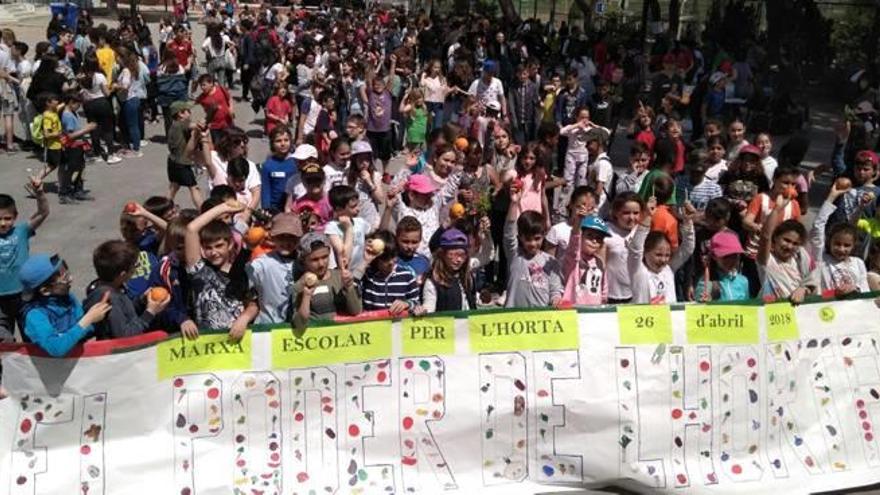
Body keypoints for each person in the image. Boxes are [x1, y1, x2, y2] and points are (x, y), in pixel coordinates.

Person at [184, 200, 256, 339]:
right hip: (207, 342)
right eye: (208, 248)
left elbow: (253, 303)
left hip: (240, 341)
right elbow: (191, 229)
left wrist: (244, 318)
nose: (214, 252)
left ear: (230, 245)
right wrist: (223, 207)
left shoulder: (243, 269)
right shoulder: (199, 271)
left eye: (218, 246)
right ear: (202, 249)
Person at [18, 252, 110, 357]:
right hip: (51, 369)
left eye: (66, 273)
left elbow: (81, 328)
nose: (71, 279)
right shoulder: (35, 316)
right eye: (64, 280)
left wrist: (96, 317)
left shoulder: (67, 298)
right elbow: (56, 348)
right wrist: (88, 319)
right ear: (45, 290)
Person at [83, 240, 170, 340]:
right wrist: (150, 312)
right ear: (122, 275)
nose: (135, 269)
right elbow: (125, 336)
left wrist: (141, 301)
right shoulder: (110, 300)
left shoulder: (114, 287)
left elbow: (125, 312)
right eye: (134, 267)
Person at [0, 178, 49, 343]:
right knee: (4, 343)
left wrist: (39, 192)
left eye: (7, 218)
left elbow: (43, 213)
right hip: (0, 301)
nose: (3, 223)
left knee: (32, 338)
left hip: (24, 295)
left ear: (15, 217)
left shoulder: (22, 231)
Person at [503, 184, 564, 308]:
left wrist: (556, 299)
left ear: (543, 236)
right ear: (520, 237)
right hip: (512, 318)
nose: (532, 244)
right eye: (528, 239)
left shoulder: (550, 262)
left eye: (537, 239)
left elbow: (555, 290)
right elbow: (509, 234)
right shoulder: (515, 255)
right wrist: (514, 203)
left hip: (539, 320)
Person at [628, 196, 696, 304]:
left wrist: (688, 220)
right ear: (646, 252)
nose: (663, 260)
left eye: (667, 255)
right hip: (643, 319)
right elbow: (636, 249)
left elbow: (688, 248)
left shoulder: (668, 269)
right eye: (658, 255)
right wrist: (647, 218)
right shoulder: (637, 270)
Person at [290, 231, 362, 332]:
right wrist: (306, 296)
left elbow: (356, 311)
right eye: (314, 260)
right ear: (303, 261)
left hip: (343, 337)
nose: (321, 264)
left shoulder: (340, 277)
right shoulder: (300, 285)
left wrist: (349, 287)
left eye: (325, 257)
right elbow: (299, 324)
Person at [811, 182, 870, 296]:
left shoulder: (858, 263)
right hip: (827, 309)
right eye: (837, 244)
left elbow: (865, 292)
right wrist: (831, 197)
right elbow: (817, 228)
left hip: (853, 311)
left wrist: (855, 290)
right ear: (829, 242)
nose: (841, 249)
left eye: (847, 245)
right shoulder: (822, 260)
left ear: (853, 246)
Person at [756, 196, 818, 302]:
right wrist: (777, 209)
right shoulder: (767, 260)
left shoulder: (800, 260)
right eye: (786, 240)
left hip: (796, 312)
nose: (789, 246)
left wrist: (803, 290)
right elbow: (765, 236)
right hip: (772, 313)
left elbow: (813, 287)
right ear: (775, 238)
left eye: (795, 243)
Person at [247, 212, 301, 324]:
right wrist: (246, 249)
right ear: (272, 237)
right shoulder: (263, 263)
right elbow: (240, 281)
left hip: (299, 327)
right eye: (281, 237)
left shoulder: (305, 261)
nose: (286, 242)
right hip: (268, 327)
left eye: (291, 237)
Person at [358, 230, 422, 315]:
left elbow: (417, 303)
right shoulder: (366, 275)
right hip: (372, 326)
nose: (391, 262)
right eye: (386, 258)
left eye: (393, 256)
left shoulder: (407, 276)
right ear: (376, 258)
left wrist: (407, 304)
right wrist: (365, 261)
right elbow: (351, 292)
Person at [422, 228, 476, 312]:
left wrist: (486, 235)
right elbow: (429, 307)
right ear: (442, 254)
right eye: (453, 254)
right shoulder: (432, 282)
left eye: (462, 255)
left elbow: (487, 256)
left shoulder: (467, 278)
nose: (459, 259)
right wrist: (423, 310)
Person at [561, 214, 610, 306]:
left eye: (598, 238)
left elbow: (604, 287)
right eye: (589, 236)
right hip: (573, 310)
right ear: (581, 236)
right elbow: (574, 241)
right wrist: (578, 222)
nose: (594, 241)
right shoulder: (573, 258)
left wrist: (603, 301)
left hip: (594, 311)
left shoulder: (599, 261)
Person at [58, 93, 96, 203]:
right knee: (71, 170)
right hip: (72, 147)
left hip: (78, 145)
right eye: (77, 105)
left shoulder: (70, 112)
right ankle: (65, 193)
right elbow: (70, 135)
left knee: (80, 168)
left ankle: (77, 189)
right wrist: (87, 129)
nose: (78, 107)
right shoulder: (68, 115)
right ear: (70, 102)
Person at [166, 101, 204, 208]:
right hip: (182, 163)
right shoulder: (181, 124)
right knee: (194, 187)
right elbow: (196, 126)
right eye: (188, 111)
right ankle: (203, 210)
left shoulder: (173, 125)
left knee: (174, 186)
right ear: (180, 114)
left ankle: (163, 208)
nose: (190, 113)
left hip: (172, 161)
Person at [694, 230, 750, 302]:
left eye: (734, 256)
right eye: (726, 256)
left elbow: (747, 309)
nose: (730, 260)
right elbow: (699, 310)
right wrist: (704, 304)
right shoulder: (705, 284)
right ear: (714, 256)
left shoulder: (743, 281)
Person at [325, 185, 370, 270]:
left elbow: (374, 233)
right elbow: (344, 259)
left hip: (361, 272)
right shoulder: (332, 228)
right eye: (353, 206)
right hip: (344, 276)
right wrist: (349, 229)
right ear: (339, 209)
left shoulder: (359, 222)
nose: (358, 209)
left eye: (357, 205)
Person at [260, 126, 296, 213]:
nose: (283, 144)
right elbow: (265, 188)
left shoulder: (296, 162)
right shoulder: (268, 165)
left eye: (286, 140)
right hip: (275, 208)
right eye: (278, 141)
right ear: (272, 143)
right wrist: (266, 208)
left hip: (294, 205)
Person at [196, 74, 234, 143]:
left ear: (211, 83)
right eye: (200, 85)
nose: (202, 87)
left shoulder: (221, 89)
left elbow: (229, 99)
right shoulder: (201, 97)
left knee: (231, 142)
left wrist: (231, 109)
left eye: (204, 85)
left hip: (228, 122)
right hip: (215, 127)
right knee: (218, 145)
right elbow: (192, 105)